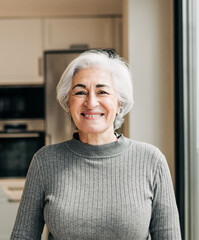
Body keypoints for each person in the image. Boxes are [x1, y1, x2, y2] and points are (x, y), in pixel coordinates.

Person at [11, 50, 181, 240]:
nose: (91, 102)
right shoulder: (45, 161)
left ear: (119, 103)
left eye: (102, 92)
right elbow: (22, 237)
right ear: (69, 102)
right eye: (80, 92)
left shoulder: (151, 160)